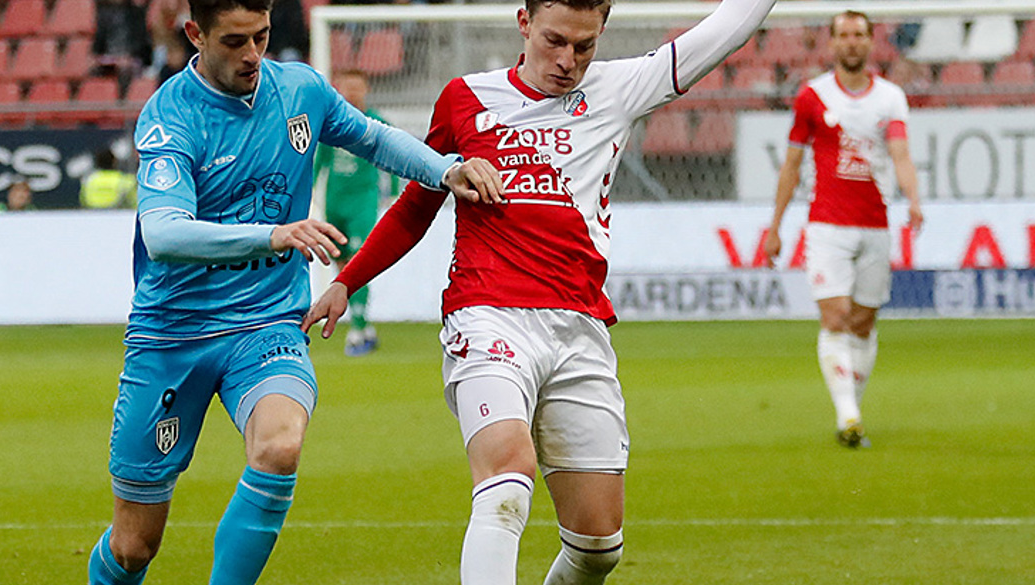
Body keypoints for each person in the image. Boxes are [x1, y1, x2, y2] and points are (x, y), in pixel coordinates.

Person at [302, 0, 776, 581]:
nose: (568, 60)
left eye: (584, 46)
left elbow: (725, 31)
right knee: (506, 481)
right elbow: (416, 205)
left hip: (579, 326)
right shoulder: (464, 98)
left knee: (598, 546)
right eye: (554, 41)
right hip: (487, 314)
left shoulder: (619, 89)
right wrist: (347, 280)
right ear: (524, 24)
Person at [85, 0, 502, 581]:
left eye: (260, 36)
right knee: (134, 546)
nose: (252, 55)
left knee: (279, 447)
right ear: (195, 34)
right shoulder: (170, 116)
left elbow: (374, 139)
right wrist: (273, 234)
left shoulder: (300, 90)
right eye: (234, 41)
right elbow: (164, 232)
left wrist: (445, 169)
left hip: (267, 323)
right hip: (175, 335)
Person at [762, 10, 923, 449]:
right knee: (835, 316)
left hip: (874, 224)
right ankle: (849, 416)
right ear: (831, 43)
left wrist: (913, 199)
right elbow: (792, 164)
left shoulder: (890, 97)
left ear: (870, 42)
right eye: (844, 35)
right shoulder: (812, 96)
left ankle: (851, 406)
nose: (851, 42)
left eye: (859, 35)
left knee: (863, 323)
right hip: (826, 224)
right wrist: (775, 226)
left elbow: (901, 153)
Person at [312, 69, 398, 356]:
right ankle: (364, 324)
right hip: (334, 202)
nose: (352, 93)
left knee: (357, 264)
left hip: (362, 203)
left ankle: (358, 329)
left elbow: (394, 156)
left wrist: (393, 192)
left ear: (366, 89)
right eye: (347, 87)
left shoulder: (376, 122)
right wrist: (309, 191)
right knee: (341, 266)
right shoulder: (332, 124)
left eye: (357, 87)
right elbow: (320, 161)